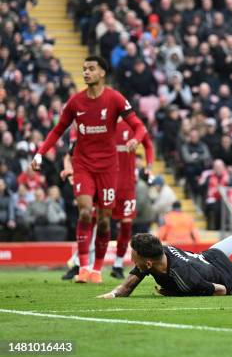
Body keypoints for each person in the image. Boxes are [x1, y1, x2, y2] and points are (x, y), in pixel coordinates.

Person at [31, 56, 147, 284]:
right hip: (83, 165)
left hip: (108, 168)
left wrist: (137, 139)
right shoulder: (75, 102)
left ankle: (96, 269)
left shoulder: (114, 98)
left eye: (91, 69)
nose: (86, 73)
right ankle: (83, 266)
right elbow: (57, 130)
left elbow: (139, 126)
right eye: (84, 69)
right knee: (85, 211)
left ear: (102, 73)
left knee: (104, 221)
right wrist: (40, 153)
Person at [97, 219, 232, 298]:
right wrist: (113, 295)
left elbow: (219, 290)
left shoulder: (185, 279)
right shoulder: (159, 251)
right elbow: (127, 286)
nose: (132, 261)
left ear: (148, 263)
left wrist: (176, 293)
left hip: (224, 277)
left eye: (134, 256)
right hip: (209, 257)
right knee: (210, 252)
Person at [61, 115, 154, 280]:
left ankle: (117, 265)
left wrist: (150, 167)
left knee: (125, 226)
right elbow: (74, 152)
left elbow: (148, 144)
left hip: (126, 186)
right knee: (93, 221)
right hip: (104, 182)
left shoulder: (132, 126)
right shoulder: (100, 125)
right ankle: (80, 265)